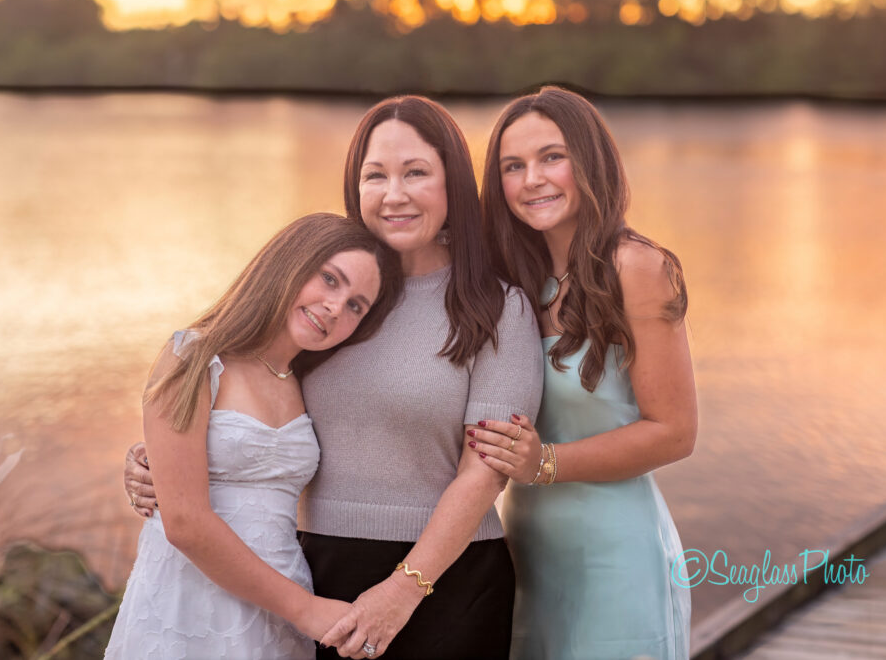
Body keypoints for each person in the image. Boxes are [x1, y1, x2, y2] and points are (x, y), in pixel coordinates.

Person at [124, 96, 544, 659]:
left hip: (447, 578)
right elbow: (245, 392)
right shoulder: (331, 296)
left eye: (415, 173)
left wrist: (404, 588)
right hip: (314, 570)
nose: (394, 194)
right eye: (376, 176)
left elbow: (485, 472)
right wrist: (158, 460)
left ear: (453, 185)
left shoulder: (496, 308)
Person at [105, 213, 403, 659]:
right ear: (289, 264)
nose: (335, 307)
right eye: (329, 280)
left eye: (356, 305)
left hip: (277, 605)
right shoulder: (194, 355)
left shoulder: (310, 380)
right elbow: (184, 523)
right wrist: (306, 610)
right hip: (191, 602)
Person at [467, 86, 696, 659]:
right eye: (512, 167)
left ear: (589, 161)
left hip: (614, 556)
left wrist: (544, 463)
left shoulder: (636, 267)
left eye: (552, 157)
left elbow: (675, 431)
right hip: (528, 553)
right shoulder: (514, 276)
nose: (532, 180)